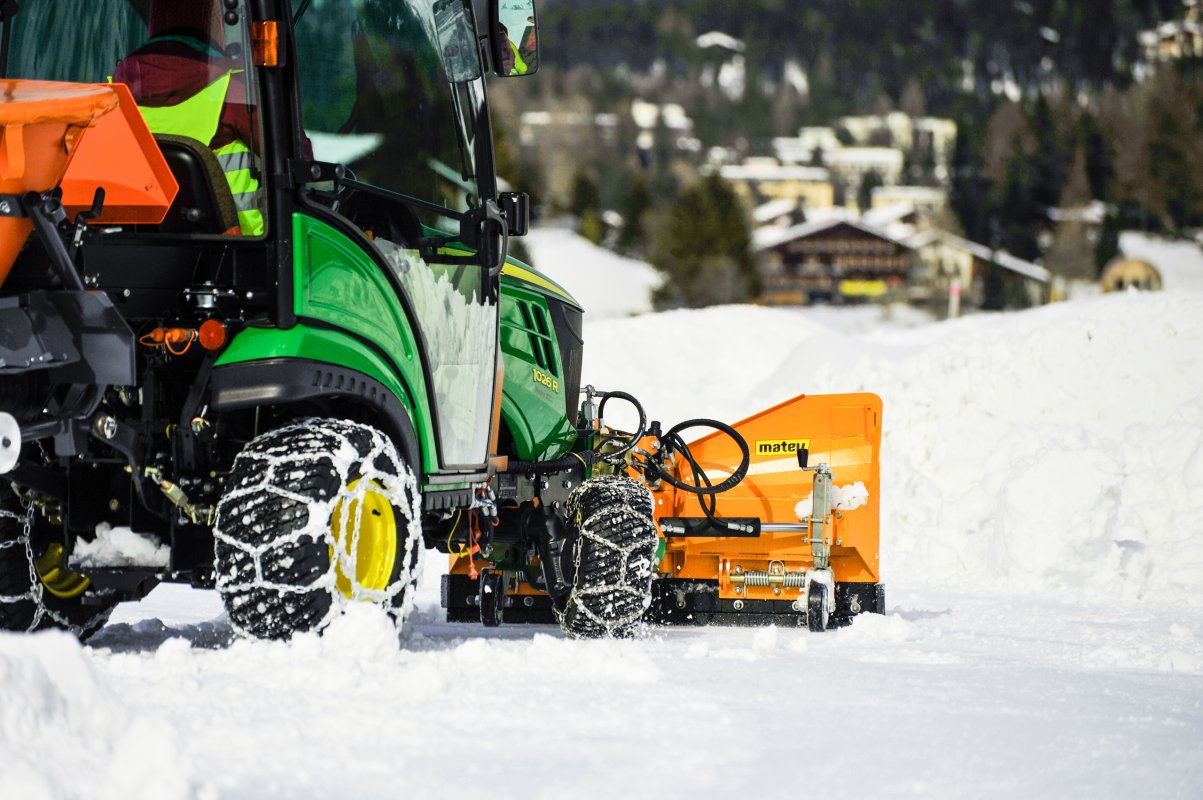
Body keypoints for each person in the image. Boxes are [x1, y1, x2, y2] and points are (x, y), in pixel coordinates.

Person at [112, 1, 264, 235]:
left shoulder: (111, 95)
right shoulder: (233, 90)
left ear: (154, 21)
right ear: (210, 20)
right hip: (236, 250)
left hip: (135, 247)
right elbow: (292, 155)